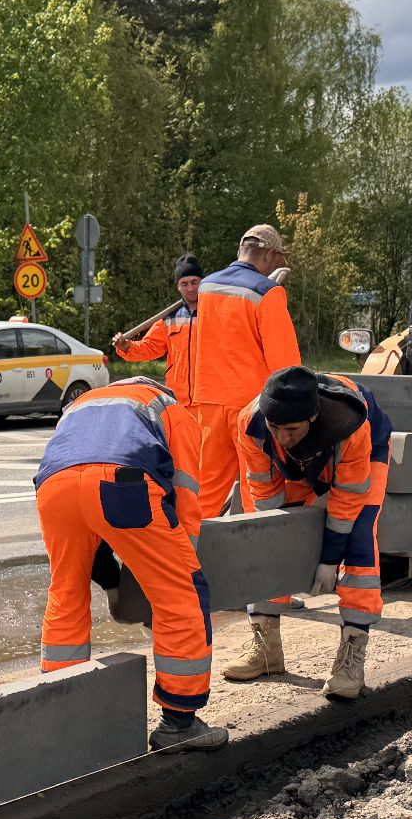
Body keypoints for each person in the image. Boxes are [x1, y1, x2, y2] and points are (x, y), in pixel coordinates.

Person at [34, 376, 227, 752]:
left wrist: (111, 584)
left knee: (65, 592)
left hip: (52, 489)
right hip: (123, 481)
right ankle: (179, 724)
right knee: (181, 598)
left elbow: (84, 491)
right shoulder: (171, 408)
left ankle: (63, 716)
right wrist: (181, 561)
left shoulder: (82, 404)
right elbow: (185, 493)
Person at [224, 366, 392, 700]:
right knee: (271, 536)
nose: (283, 437)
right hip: (300, 465)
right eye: (276, 428)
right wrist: (280, 537)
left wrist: (329, 559)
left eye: (291, 429)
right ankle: (266, 647)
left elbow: (346, 500)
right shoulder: (251, 425)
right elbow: (267, 498)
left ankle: (351, 658)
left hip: (363, 457)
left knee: (358, 540)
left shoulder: (351, 423)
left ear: (312, 418)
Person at [192, 225, 301, 517]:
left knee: (207, 488)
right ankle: (254, 554)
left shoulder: (207, 288)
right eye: (278, 259)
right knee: (257, 486)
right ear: (268, 255)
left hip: (209, 400)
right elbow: (286, 365)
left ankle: (191, 555)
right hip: (251, 408)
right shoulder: (268, 293)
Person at [112, 254, 203, 411]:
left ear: (203, 282)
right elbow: (149, 348)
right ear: (178, 286)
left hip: (209, 400)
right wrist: (126, 346)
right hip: (177, 400)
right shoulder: (169, 319)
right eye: (184, 284)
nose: (190, 288)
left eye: (194, 282)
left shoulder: (215, 312)